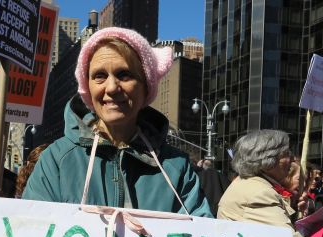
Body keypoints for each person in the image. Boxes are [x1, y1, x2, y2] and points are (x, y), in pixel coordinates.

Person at [22, 27, 212, 217]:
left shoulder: (177, 168)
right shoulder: (56, 161)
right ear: (87, 86)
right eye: (99, 76)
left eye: (124, 75)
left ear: (145, 86)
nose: (111, 87)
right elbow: (31, 232)